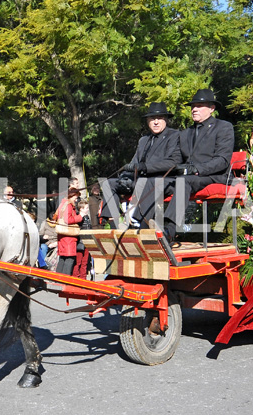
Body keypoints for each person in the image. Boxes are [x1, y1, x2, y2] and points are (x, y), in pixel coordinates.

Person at [100, 101, 181, 234]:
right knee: (109, 183)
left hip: (161, 180)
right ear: (147, 121)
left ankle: (137, 224)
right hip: (140, 180)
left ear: (165, 120)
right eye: (152, 119)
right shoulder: (144, 140)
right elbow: (134, 162)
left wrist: (145, 167)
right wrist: (125, 177)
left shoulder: (174, 136)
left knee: (147, 183)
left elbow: (173, 162)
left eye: (159, 118)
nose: (155, 122)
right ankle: (114, 227)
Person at [167, 88, 235, 242]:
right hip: (191, 178)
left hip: (215, 175)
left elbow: (223, 159)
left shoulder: (223, 127)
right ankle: (138, 229)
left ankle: (169, 231)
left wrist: (197, 169)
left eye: (199, 105)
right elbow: (176, 160)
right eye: (193, 106)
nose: (194, 109)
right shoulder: (184, 133)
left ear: (212, 109)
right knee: (155, 182)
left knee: (185, 181)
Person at [54, 187, 84, 275]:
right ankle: (65, 280)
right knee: (70, 258)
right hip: (68, 237)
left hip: (63, 236)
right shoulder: (69, 205)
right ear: (71, 195)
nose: (76, 199)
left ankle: (57, 279)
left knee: (63, 258)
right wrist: (80, 216)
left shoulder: (63, 204)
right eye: (76, 197)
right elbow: (68, 220)